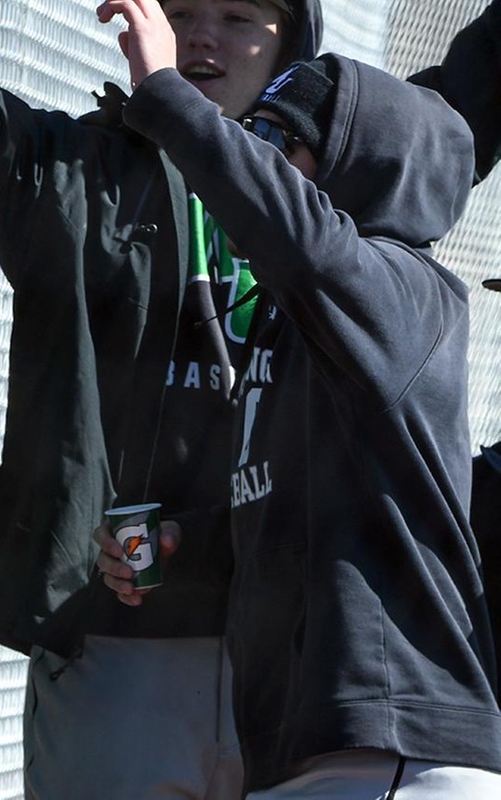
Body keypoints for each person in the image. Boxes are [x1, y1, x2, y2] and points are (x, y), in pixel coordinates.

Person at [0, 0, 322, 795]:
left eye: (240, 14)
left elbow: (460, 111)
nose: (203, 35)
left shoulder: (343, 193)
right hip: (110, 649)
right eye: (181, 11)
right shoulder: (77, 174)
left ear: (296, 49)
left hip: (294, 656)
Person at [95, 1, 501, 795]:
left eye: (282, 144)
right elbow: (311, 510)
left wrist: (167, 90)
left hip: (393, 751)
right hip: (318, 759)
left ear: (356, 166)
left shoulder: (398, 291)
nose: (262, 160)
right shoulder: (302, 335)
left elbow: (303, 240)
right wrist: (190, 541)